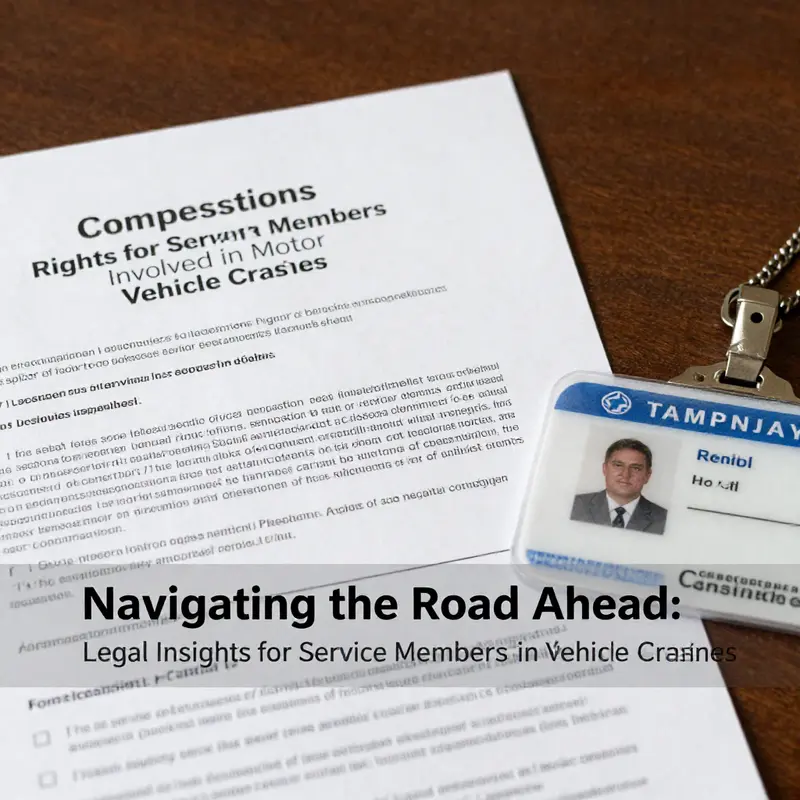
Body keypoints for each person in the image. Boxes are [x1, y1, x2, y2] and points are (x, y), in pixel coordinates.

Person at [570, 438, 667, 534]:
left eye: (636, 468)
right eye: (618, 465)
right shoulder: (575, 505)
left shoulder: (663, 519)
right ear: (605, 469)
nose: (625, 475)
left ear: (647, 475)